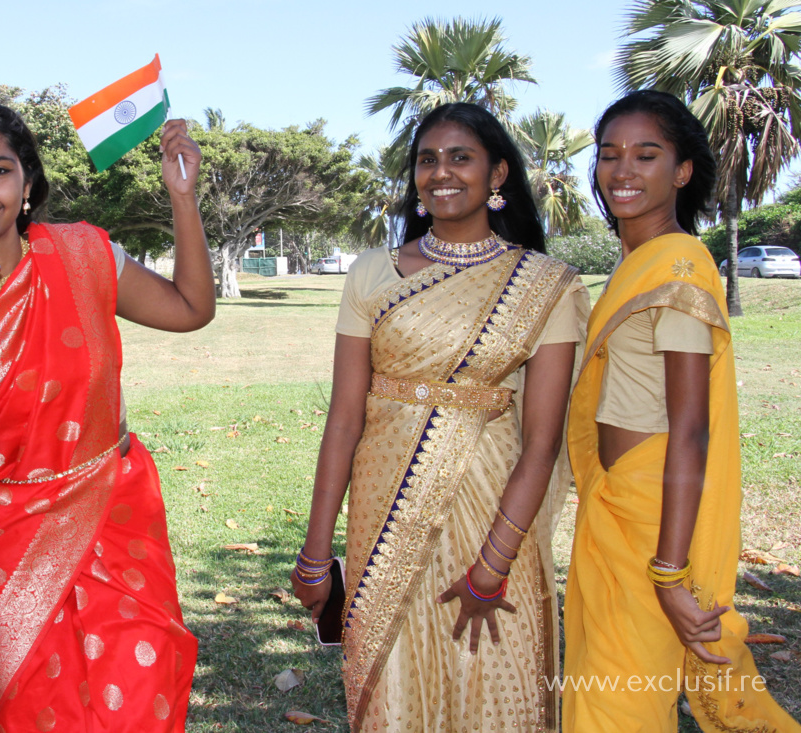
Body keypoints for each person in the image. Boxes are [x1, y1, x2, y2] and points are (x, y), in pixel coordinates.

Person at [0, 93, 213, 733]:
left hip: (116, 519)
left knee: (138, 702)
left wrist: (183, 197)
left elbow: (190, 309)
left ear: (28, 183)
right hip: (0, 550)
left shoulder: (83, 254)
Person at [292, 102, 589, 731]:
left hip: (493, 508)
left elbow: (542, 441)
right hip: (384, 502)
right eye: (427, 159)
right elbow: (344, 418)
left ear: (498, 173)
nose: (441, 172)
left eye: (461, 157)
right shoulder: (374, 271)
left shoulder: (546, 285)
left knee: (492, 678)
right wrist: (317, 553)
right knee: (391, 678)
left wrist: (495, 563)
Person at [563, 89, 800, 731]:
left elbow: (691, 433)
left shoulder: (680, 266)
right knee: (600, 695)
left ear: (683, 170)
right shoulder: (636, 264)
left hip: (655, 525)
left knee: (617, 707)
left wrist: (670, 572)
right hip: (612, 509)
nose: (622, 171)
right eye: (609, 155)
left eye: (646, 154)